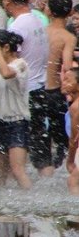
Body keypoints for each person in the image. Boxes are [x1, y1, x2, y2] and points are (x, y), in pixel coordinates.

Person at [2, 0, 53, 176]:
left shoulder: (17, 26)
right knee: (40, 145)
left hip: (24, 92)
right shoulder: (37, 20)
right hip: (40, 87)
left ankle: (22, 185)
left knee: (17, 144)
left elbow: (10, 60)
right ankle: (47, 184)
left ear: (7, 0)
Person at [0, 29, 32, 189]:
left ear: (5, 47)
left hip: (17, 123)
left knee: (17, 170)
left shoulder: (20, 64)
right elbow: (0, 89)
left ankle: (30, 199)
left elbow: (6, 74)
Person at [42, 0, 75, 172]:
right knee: (61, 140)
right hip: (55, 91)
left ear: (49, 10)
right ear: (70, 12)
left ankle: (43, 171)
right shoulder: (68, 37)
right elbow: (67, 67)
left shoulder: (41, 31)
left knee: (40, 138)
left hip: (37, 91)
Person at [63, 67, 79, 195]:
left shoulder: (75, 107)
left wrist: (70, 160)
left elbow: (73, 139)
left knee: (73, 181)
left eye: (68, 80)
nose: (63, 83)